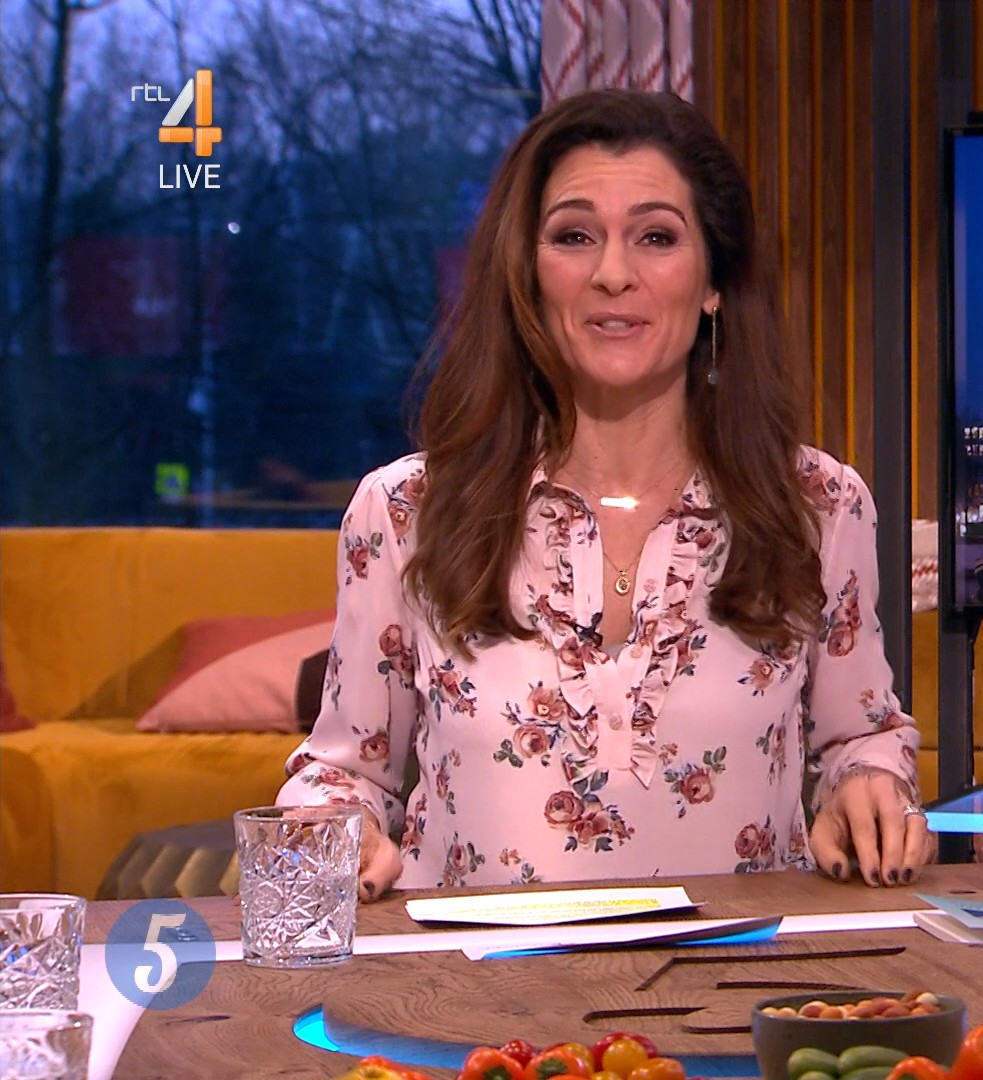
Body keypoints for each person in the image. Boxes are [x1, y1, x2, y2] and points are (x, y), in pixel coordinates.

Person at [277, 89, 929, 898]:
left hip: (739, 971)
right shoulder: (405, 510)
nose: (613, 274)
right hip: (468, 977)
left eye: (656, 237)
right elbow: (346, 773)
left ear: (714, 281)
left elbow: (860, 738)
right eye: (574, 236)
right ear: (528, 275)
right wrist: (330, 826)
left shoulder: (817, 504)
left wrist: (870, 786)